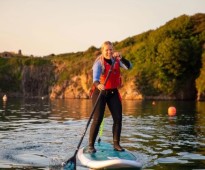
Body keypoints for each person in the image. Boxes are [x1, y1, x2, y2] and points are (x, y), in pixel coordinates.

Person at [88, 41, 132, 153]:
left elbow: (129, 67)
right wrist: (99, 85)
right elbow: (95, 80)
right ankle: (91, 146)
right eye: (106, 50)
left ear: (113, 50)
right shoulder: (99, 63)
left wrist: (121, 58)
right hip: (100, 93)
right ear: (102, 51)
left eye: (111, 49)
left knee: (118, 118)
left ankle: (116, 144)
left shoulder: (116, 60)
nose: (109, 52)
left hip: (113, 93)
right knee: (98, 119)